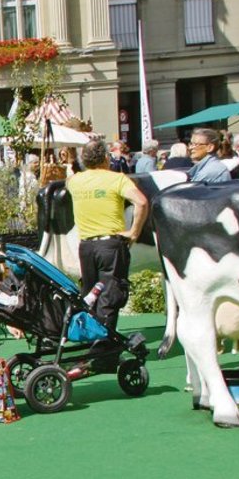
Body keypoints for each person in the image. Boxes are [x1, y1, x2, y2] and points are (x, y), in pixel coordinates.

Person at [65, 139, 150, 335]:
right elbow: (142, 202)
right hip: (111, 245)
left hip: (86, 247)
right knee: (110, 296)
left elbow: (68, 176)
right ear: (106, 158)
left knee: (90, 296)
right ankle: (103, 347)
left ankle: (92, 340)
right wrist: (134, 232)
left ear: (85, 160)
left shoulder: (75, 182)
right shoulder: (117, 179)